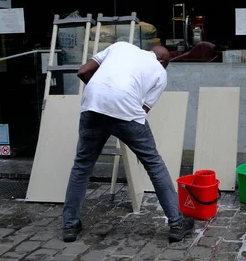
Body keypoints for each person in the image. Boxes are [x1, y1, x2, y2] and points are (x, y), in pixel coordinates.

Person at [62, 41, 194, 243]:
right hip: (126, 113)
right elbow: (143, 110)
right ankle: (176, 224)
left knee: (82, 166)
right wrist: (119, 105)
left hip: (92, 106)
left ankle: (70, 226)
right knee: (154, 164)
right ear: (162, 61)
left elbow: (83, 71)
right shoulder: (160, 72)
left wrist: (104, 96)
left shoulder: (120, 46)